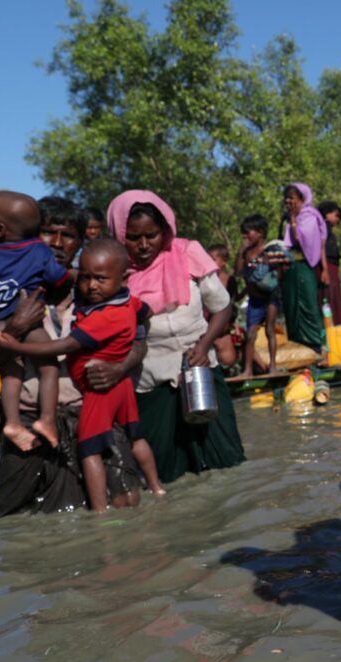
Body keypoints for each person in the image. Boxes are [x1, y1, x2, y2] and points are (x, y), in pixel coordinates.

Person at [0, 202, 146, 519]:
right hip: (28, 423)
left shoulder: (96, 287)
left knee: (124, 507)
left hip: (92, 413)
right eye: (47, 232)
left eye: (67, 235)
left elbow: (139, 337)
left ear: (82, 242)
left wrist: (121, 366)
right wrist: (15, 328)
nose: (56, 243)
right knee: (18, 519)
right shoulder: (2, 289)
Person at [108, 190, 245, 484]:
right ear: (119, 234)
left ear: (165, 230)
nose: (144, 245)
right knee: (165, 471)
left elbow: (221, 307)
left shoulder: (186, 253)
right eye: (133, 237)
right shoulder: (114, 271)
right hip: (149, 380)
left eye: (152, 235)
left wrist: (205, 344)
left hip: (201, 372)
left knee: (226, 463)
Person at [0, 191, 73, 451]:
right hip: (28, 323)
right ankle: (46, 419)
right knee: (49, 365)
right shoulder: (39, 251)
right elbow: (59, 278)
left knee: (11, 372)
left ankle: (12, 423)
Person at [280, 183, 328, 354]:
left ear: (302, 199)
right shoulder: (286, 218)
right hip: (290, 269)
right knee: (292, 306)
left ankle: (318, 346)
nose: (288, 201)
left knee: (308, 305)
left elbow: (303, 241)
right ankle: (298, 348)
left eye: (292, 198)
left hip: (304, 266)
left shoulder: (309, 217)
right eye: (287, 198)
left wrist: (293, 221)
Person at [235, 214, 281, 375]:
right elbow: (238, 272)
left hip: (271, 298)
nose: (245, 237)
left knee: (270, 330)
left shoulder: (270, 250)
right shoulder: (247, 253)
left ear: (260, 233)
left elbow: (278, 272)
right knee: (250, 334)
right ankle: (247, 369)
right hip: (254, 299)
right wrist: (240, 253)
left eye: (249, 233)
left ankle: (273, 366)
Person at [205, 242, 239, 367]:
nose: (209, 263)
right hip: (206, 321)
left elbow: (232, 301)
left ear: (223, 262)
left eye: (213, 260)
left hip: (222, 322)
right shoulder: (204, 279)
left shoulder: (228, 280)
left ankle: (228, 369)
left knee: (224, 349)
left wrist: (230, 322)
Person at [317, 201, 341, 326]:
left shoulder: (325, 228)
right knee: (328, 297)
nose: (338, 219)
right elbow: (321, 248)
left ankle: (334, 326)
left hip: (331, 265)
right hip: (327, 265)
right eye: (336, 215)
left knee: (332, 297)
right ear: (327, 214)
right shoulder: (322, 227)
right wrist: (324, 269)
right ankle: (331, 327)